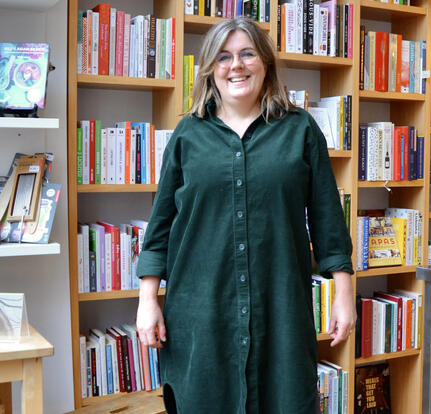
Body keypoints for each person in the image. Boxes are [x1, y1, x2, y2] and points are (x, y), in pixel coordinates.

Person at [136, 16, 355, 413]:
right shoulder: (187, 135)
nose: (235, 65)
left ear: (265, 63)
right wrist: (147, 301)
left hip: (280, 311)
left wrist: (344, 296)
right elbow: (160, 227)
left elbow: (328, 221)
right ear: (210, 70)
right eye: (223, 57)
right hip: (199, 313)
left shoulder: (301, 130)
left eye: (246, 54)